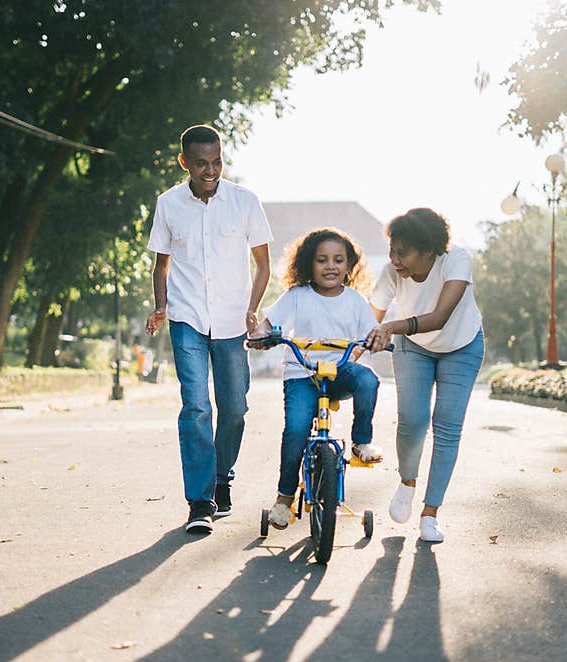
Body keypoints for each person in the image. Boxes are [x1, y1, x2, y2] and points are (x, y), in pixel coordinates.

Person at [145, 124, 273, 534]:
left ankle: (222, 478)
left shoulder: (244, 201)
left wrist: (253, 310)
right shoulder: (168, 204)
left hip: (233, 321)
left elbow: (263, 264)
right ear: (185, 162)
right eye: (201, 163)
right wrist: (161, 307)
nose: (211, 170)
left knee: (234, 408)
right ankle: (200, 501)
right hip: (186, 319)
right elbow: (161, 264)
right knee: (197, 406)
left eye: (217, 161)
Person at [249, 228, 382, 530]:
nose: (330, 266)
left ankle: (361, 442)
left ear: (349, 266)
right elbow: (269, 324)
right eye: (322, 260)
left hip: (338, 372)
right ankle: (284, 499)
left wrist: (377, 339)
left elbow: (372, 331)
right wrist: (260, 335)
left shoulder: (356, 301)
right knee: (296, 429)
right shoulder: (298, 296)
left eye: (338, 260)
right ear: (309, 264)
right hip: (302, 373)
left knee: (368, 380)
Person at [366, 207, 485, 543]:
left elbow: (440, 317)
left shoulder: (456, 261)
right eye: (392, 250)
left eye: (402, 252)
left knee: (447, 425)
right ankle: (407, 481)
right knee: (413, 420)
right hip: (414, 348)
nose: (394, 259)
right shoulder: (392, 272)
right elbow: (368, 319)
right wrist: (352, 347)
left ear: (430, 250)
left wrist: (390, 326)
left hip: (461, 345)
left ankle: (430, 514)